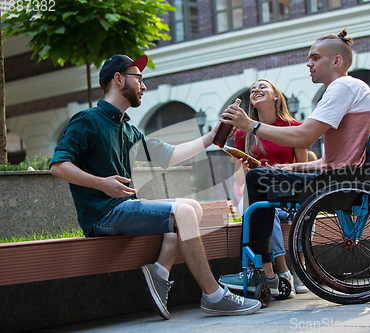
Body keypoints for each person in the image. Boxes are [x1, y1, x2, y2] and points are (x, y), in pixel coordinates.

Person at [49, 54, 261, 320]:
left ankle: (160, 272)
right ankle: (214, 295)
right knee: (183, 213)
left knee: (192, 208)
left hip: (122, 208)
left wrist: (212, 136)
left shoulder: (128, 129)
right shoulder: (87, 120)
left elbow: (170, 155)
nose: (144, 86)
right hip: (102, 214)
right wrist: (101, 184)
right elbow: (58, 165)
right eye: (139, 78)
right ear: (118, 79)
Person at [218, 29, 370, 286]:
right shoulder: (353, 89)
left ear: (336, 61)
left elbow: (304, 137)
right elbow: (330, 160)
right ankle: (267, 271)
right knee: (263, 177)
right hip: (346, 178)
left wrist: (251, 125)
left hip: (338, 183)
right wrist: (290, 168)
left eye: (315, 58)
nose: (309, 63)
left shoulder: (342, 87)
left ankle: (258, 272)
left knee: (258, 180)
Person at [221, 79, 307, 298]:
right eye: (252, 90)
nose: (256, 90)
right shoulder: (243, 134)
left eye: (262, 87)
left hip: (290, 195)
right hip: (261, 199)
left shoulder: (295, 128)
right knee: (264, 207)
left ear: (276, 96)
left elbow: (303, 171)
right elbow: (239, 181)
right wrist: (242, 166)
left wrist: (279, 170)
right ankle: (283, 273)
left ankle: (298, 269)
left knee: (270, 207)